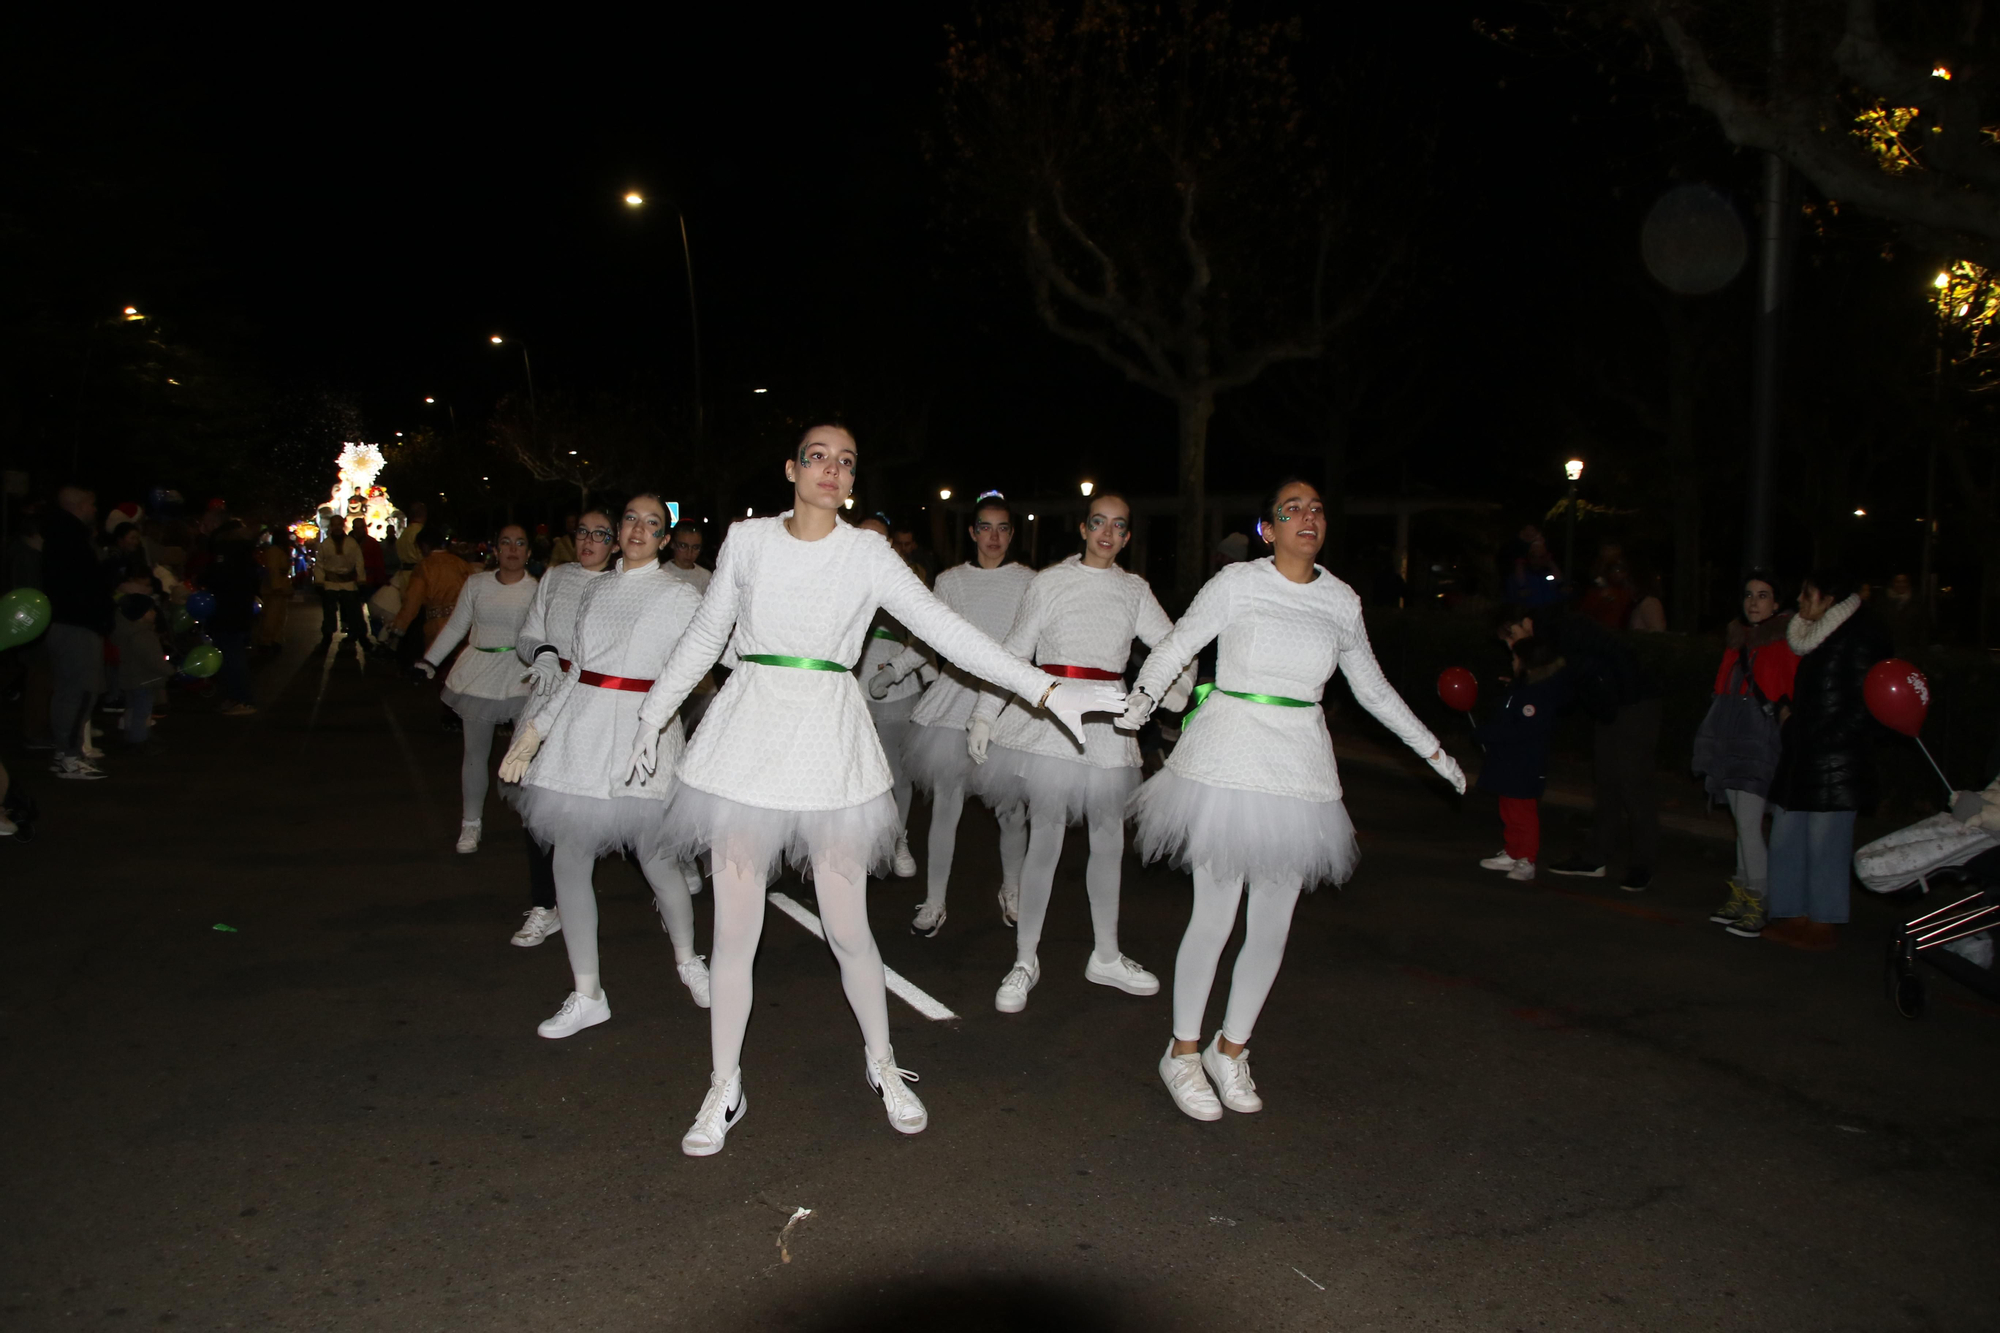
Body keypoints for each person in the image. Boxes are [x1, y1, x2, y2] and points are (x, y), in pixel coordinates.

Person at [624, 425, 1120, 1156]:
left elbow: (949, 633)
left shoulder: (866, 553)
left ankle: (882, 1062)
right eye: (818, 456)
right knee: (734, 934)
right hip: (744, 744)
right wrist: (649, 714)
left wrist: (1045, 690)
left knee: (850, 928)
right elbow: (705, 635)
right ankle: (723, 1083)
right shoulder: (749, 541)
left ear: (853, 482)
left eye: (846, 461)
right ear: (792, 467)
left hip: (830, 745)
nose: (832, 468)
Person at [1120, 479, 1465, 1121]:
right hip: (1228, 758)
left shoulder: (1340, 600)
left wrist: (1433, 751)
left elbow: (1374, 690)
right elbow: (1176, 645)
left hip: (1298, 766)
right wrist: (1141, 702)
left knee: (1272, 925)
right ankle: (1183, 1051)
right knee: (1215, 917)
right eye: (1291, 509)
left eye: (1316, 509)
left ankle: (1233, 1048)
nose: (1307, 517)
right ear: (1267, 529)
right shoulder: (1237, 584)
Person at [969, 491, 1196, 1015]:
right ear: (1083, 527)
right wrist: (984, 712)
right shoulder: (1048, 583)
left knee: (1109, 840)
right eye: (1099, 522)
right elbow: (1013, 654)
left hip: (1110, 724)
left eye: (1119, 525)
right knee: (1044, 837)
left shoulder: (1133, 590)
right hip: (1052, 718)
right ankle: (1025, 958)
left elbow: (1174, 645)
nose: (1108, 533)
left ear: (1128, 536)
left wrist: (1169, 691)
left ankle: (1108, 955)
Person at [499, 495, 712, 1035]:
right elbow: (577, 672)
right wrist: (534, 732)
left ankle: (688, 957)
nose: (640, 529)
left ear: (665, 538)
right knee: (568, 860)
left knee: (659, 862)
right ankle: (587, 990)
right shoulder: (595, 590)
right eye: (631, 520)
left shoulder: (681, 596)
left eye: (653, 523)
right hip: (582, 734)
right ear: (618, 531)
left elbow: (697, 669)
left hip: (644, 734)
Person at [886, 493, 1035, 936]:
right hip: (954, 699)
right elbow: (929, 639)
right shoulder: (951, 581)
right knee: (946, 807)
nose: (994, 537)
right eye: (985, 527)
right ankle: (934, 900)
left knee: (1012, 810)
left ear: (1012, 532)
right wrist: (895, 668)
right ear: (972, 532)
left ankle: (1012, 889)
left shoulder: (1029, 581)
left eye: (1003, 528)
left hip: (1007, 700)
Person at [1759, 570, 1890, 951]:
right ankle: (1793, 913)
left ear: (1829, 599)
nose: (1800, 601)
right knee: (1786, 834)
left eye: (1807, 594)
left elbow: (1867, 703)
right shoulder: (1816, 635)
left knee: (1825, 842)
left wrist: (1820, 736)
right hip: (1805, 751)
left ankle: (1822, 922)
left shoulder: (1861, 635)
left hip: (1835, 759)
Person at [506, 510, 618, 948]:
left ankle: (665, 885)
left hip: (595, 705)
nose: (589, 541)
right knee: (536, 805)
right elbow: (527, 634)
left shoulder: (620, 584)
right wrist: (545, 651)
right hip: (548, 696)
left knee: (606, 810)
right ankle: (545, 903)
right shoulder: (555, 577)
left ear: (614, 542)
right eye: (583, 532)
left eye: (600, 534)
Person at [1496, 601, 1662, 891]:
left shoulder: (1561, 631)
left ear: (1525, 622)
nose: (1511, 646)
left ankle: (1643, 865)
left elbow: (1592, 670)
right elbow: (1565, 685)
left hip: (1633, 703)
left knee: (1633, 786)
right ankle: (1595, 857)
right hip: (1613, 707)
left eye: (1511, 636)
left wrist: (1615, 703)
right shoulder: (1553, 634)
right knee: (1607, 783)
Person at [415, 525, 537, 853]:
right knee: (474, 755)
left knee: (524, 755)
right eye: (506, 542)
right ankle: (471, 824)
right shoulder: (477, 583)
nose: (512, 549)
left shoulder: (538, 589)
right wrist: (430, 661)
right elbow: (458, 624)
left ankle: (530, 817)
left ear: (528, 551)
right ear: (496, 549)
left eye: (520, 543)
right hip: (480, 675)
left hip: (520, 678)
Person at [1692, 571, 1799, 938]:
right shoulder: (1738, 639)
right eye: (1749, 595)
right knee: (1741, 823)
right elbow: (1722, 691)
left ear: (1777, 603)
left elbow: (1786, 693)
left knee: (1750, 825)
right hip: (1732, 738)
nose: (1754, 602)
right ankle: (1743, 892)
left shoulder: (1784, 641)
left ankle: (1759, 899)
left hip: (1759, 741)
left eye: (1763, 595)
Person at [857, 515, 925, 879]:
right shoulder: (837, 575)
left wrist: (896, 666)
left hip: (897, 688)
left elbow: (925, 639)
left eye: (880, 539)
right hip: (848, 687)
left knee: (897, 773)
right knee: (856, 772)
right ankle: (862, 842)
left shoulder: (905, 579)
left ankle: (898, 839)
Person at [1473, 636, 1570, 881]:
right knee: (1509, 808)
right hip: (1510, 761)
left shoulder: (1537, 694)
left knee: (1522, 811)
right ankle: (1514, 851)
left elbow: (1522, 730)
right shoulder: (1524, 688)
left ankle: (1526, 858)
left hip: (1524, 763)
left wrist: (1488, 734)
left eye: (1516, 658)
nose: (1513, 662)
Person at [43, 486, 120, 780]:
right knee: (80, 692)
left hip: (67, 622)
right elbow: (86, 583)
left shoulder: (60, 535)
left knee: (67, 691)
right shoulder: (71, 539)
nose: (95, 510)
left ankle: (65, 752)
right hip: (78, 624)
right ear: (79, 506)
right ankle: (70, 756)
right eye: (92, 504)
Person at [201, 521, 262, 716]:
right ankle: (235, 697)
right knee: (231, 655)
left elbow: (216, 578)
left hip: (227, 611)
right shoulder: (245, 555)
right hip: (237, 610)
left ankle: (241, 699)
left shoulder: (227, 556)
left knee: (231, 656)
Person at [391, 525, 472, 654]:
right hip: (464, 628)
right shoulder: (462, 564)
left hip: (437, 629)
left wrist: (398, 629)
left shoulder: (424, 567)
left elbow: (412, 602)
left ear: (424, 546)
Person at [110, 594, 170, 745]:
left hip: (129, 677)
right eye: (151, 610)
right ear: (141, 614)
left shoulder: (123, 631)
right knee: (142, 712)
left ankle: (130, 734)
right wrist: (170, 670)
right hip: (144, 679)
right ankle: (140, 739)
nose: (154, 613)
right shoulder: (143, 635)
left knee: (131, 708)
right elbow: (153, 660)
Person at [313, 518, 368, 652]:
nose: (337, 528)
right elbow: (319, 564)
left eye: (339, 525)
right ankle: (327, 637)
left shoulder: (351, 543)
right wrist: (319, 582)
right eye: (334, 525)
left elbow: (359, 562)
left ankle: (356, 636)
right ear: (331, 527)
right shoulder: (325, 545)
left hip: (348, 584)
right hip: (330, 584)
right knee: (329, 614)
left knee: (353, 612)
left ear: (342, 526)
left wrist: (361, 581)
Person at [254, 531, 294, 651]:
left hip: (279, 586)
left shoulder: (277, 551)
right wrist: (276, 586)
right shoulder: (274, 552)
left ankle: (275, 638)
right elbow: (272, 570)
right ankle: (268, 639)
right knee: (271, 616)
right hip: (275, 588)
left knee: (279, 615)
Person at [665, 521, 711, 593]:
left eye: (695, 547)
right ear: (672, 544)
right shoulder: (661, 573)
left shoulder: (706, 577)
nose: (689, 553)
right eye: (683, 546)